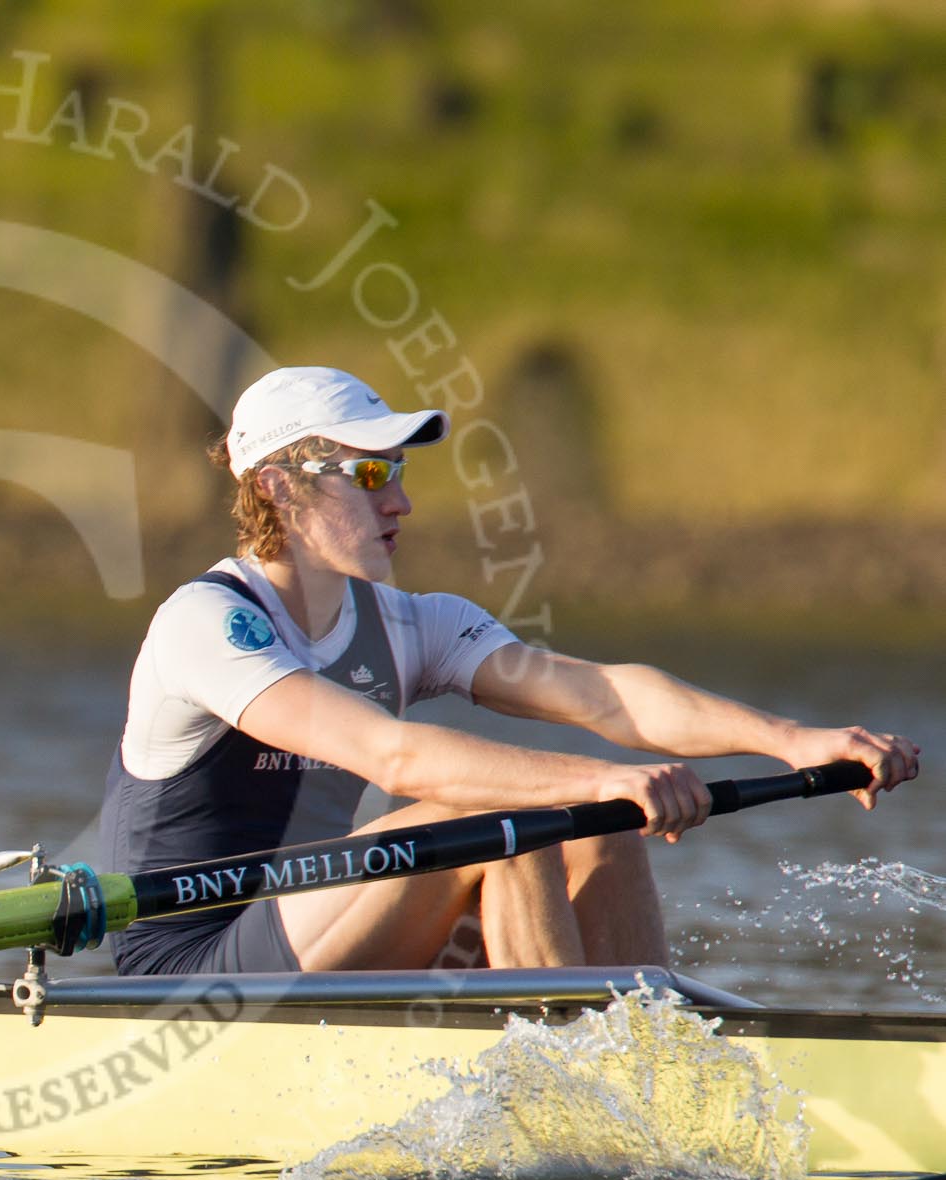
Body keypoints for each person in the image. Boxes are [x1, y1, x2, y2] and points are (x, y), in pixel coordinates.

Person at [100, 365, 918, 976]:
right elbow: (396, 758)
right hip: (187, 970)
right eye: (372, 474)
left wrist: (790, 740)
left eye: (401, 475)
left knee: (605, 831)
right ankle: (559, 1089)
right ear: (280, 488)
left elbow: (606, 695)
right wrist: (598, 780)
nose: (401, 504)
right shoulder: (207, 624)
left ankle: (641, 1069)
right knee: (513, 811)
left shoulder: (412, 622)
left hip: (322, 929)